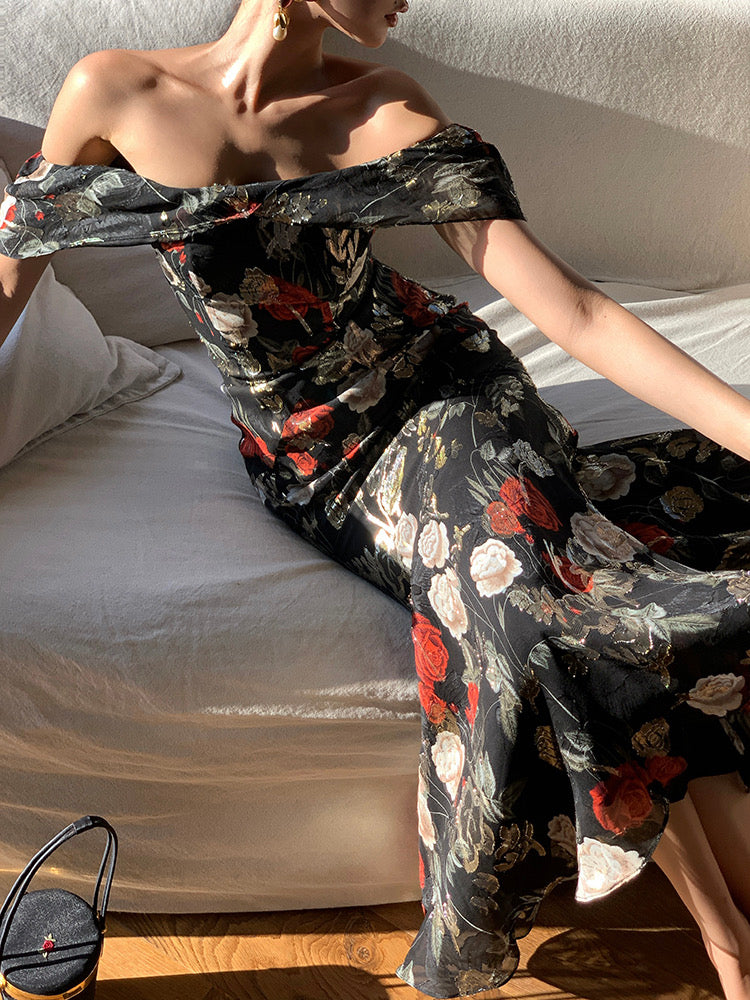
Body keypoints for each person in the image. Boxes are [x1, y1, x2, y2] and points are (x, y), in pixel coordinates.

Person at [1, 1, 749, 996]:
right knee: (545, 604)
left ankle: (722, 938)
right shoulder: (112, 89)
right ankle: (726, 924)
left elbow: (574, 309)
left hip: (450, 391)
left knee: (523, 604)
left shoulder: (386, 108)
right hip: (315, 463)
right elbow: (11, 278)